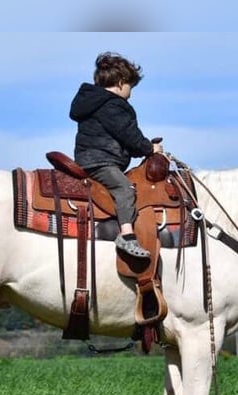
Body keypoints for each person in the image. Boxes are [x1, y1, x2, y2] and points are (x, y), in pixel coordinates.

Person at [69, 52, 163, 259]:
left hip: (89, 158)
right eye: (130, 87)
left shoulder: (93, 102)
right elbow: (128, 135)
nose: (130, 92)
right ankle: (127, 236)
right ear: (121, 83)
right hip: (101, 161)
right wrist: (149, 149)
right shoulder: (113, 105)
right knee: (125, 188)